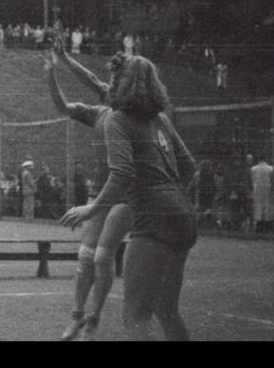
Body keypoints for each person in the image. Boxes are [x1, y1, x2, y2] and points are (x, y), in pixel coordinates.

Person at [61, 53, 197, 341]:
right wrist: (169, 195)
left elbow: (121, 173)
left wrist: (92, 209)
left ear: (122, 82)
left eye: (114, 78)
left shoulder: (117, 120)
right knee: (167, 310)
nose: (109, 83)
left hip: (153, 218)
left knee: (135, 315)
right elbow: (188, 166)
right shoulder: (161, 118)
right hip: (183, 215)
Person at [43, 39, 133, 341]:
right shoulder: (98, 113)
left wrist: (66, 58)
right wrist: (53, 72)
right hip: (99, 193)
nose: (107, 86)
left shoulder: (132, 111)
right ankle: (77, 318)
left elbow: (94, 81)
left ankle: (92, 321)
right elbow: (62, 105)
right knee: (85, 259)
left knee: (102, 258)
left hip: (125, 196)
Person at [250, 154, 274, 233]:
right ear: (266, 158)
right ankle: (268, 225)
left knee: (258, 207)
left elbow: (252, 180)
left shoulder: (253, 169)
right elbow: (272, 180)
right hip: (267, 189)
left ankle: (259, 225)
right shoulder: (271, 168)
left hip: (257, 190)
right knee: (268, 206)